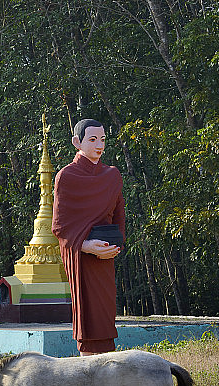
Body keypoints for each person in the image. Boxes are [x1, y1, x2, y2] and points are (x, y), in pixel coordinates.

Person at [52, 119, 126, 355]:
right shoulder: (66, 176)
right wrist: (85, 246)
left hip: (105, 253)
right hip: (82, 255)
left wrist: (116, 246)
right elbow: (60, 226)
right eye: (92, 139)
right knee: (87, 312)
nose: (99, 145)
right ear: (77, 142)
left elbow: (119, 216)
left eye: (102, 139)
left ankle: (106, 366)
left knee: (105, 309)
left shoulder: (112, 175)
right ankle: (87, 365)